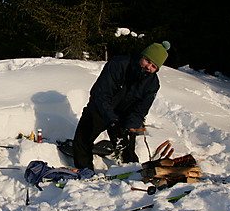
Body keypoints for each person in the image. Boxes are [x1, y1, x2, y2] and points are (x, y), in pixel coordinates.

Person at [72, 42, 170, 170]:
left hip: (124, 115)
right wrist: (112, 121)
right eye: (147, 61)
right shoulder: (119, 64)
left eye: (153, 66)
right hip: (100, 108)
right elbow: (100, 94)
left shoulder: (152, 84)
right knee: (82, 140)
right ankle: (85, 171)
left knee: (126, 145)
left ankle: (131, 171)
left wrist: (129, 128)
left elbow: (139, 111)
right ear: (142, 56)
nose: (148, 67)